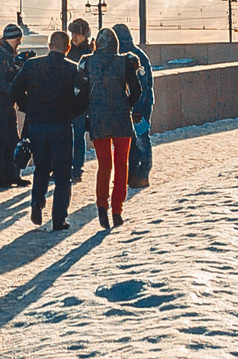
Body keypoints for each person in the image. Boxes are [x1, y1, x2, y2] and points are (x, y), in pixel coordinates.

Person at [16, 29, 87, 231]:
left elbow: (15, 90)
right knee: (63, 173)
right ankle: (59, 219)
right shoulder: (73, 69)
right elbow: (83, 98)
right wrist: (72, 112)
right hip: (62, 126)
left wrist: (27, 107)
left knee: (41, 168)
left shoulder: (31, 65)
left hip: (36, 125)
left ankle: (37, 203)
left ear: (48, 46)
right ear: (67, 48)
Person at [85, 24, 143, 228]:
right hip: (121, 119)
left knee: (104, 165)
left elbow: (81, 93)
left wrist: (88, 113)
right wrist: (126, 104)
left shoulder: (87, 62)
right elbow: (137, 89)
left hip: (98, 119)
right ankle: (117, 210)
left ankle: (102, 206)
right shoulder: (125, 62)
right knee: (121, 164)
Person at [0, 23, 26, 188]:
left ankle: (12, 175)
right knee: (1, 139)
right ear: (14, 38)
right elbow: (0, 82)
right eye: (19, 39)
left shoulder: (8, 54)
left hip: (6, 103)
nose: (20, 43)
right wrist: (17, 90)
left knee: (12, 139)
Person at [123, 26, 157, 196]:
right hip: (139, 105)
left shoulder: (134, 56)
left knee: (141, 140)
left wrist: (136, 109)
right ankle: (134, 175)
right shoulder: (133, 53)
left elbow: (141, 86)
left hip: (140, 107)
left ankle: (143, 175)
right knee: (134, 141)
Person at [66, 18, 96, 181]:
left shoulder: (88, 53)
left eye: (77, 33)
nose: (74, 36)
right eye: (72, 33)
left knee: (78, 136)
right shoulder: (71, 51)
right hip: (69, 100)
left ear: (85, 34)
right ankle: (68, 167)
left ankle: (77, 168)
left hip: (81, 102)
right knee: (68, 137)